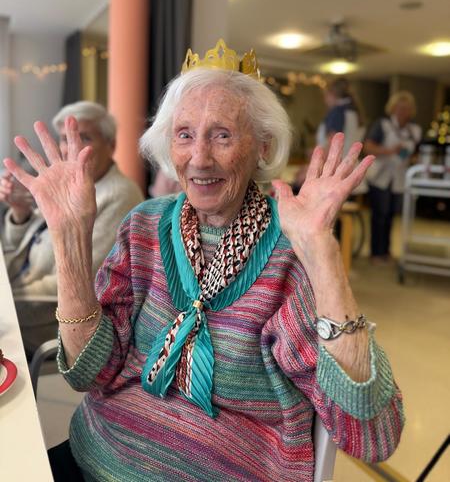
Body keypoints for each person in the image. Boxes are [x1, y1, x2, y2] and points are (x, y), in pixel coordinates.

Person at [3, 40, 404, 482]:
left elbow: (373, 437)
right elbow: (88, 372)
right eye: (184, 134)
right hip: (98, 453)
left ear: (263, 147)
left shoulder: (292, 249)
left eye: (222, 135)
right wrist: (69, 236)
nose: (199, 158)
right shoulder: (145, 225)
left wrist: (321, 252)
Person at [0, 101, 144, 354]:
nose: (71, 147)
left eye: (84, 137)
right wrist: (21, 213)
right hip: (20, 294)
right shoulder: (69, 182)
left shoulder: (120, 194)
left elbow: (85, 279)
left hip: (53, 314)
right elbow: (19, 248)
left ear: (111, 146)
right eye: (65, 139)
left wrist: (8, 295)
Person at [364, 91, 422, 264]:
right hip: (380, 177)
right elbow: (368, 147)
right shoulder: (382, 125)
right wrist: (390, 151)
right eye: (400, 107)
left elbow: (416, 152)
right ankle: (375, 252)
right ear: (393, 108)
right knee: (379, 215)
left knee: (390, 215)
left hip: (400, 179)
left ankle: (385, 251)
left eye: (407, 108)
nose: (403, 111)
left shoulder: (414, 130)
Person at [316, 77, 366, 157]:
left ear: (332, 94)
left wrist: (318, 158)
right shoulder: (355, 112)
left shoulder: (337, 112)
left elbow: (333, 143)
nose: (325, 100)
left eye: (326, 96)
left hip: (335, 161)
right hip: (350, 160)